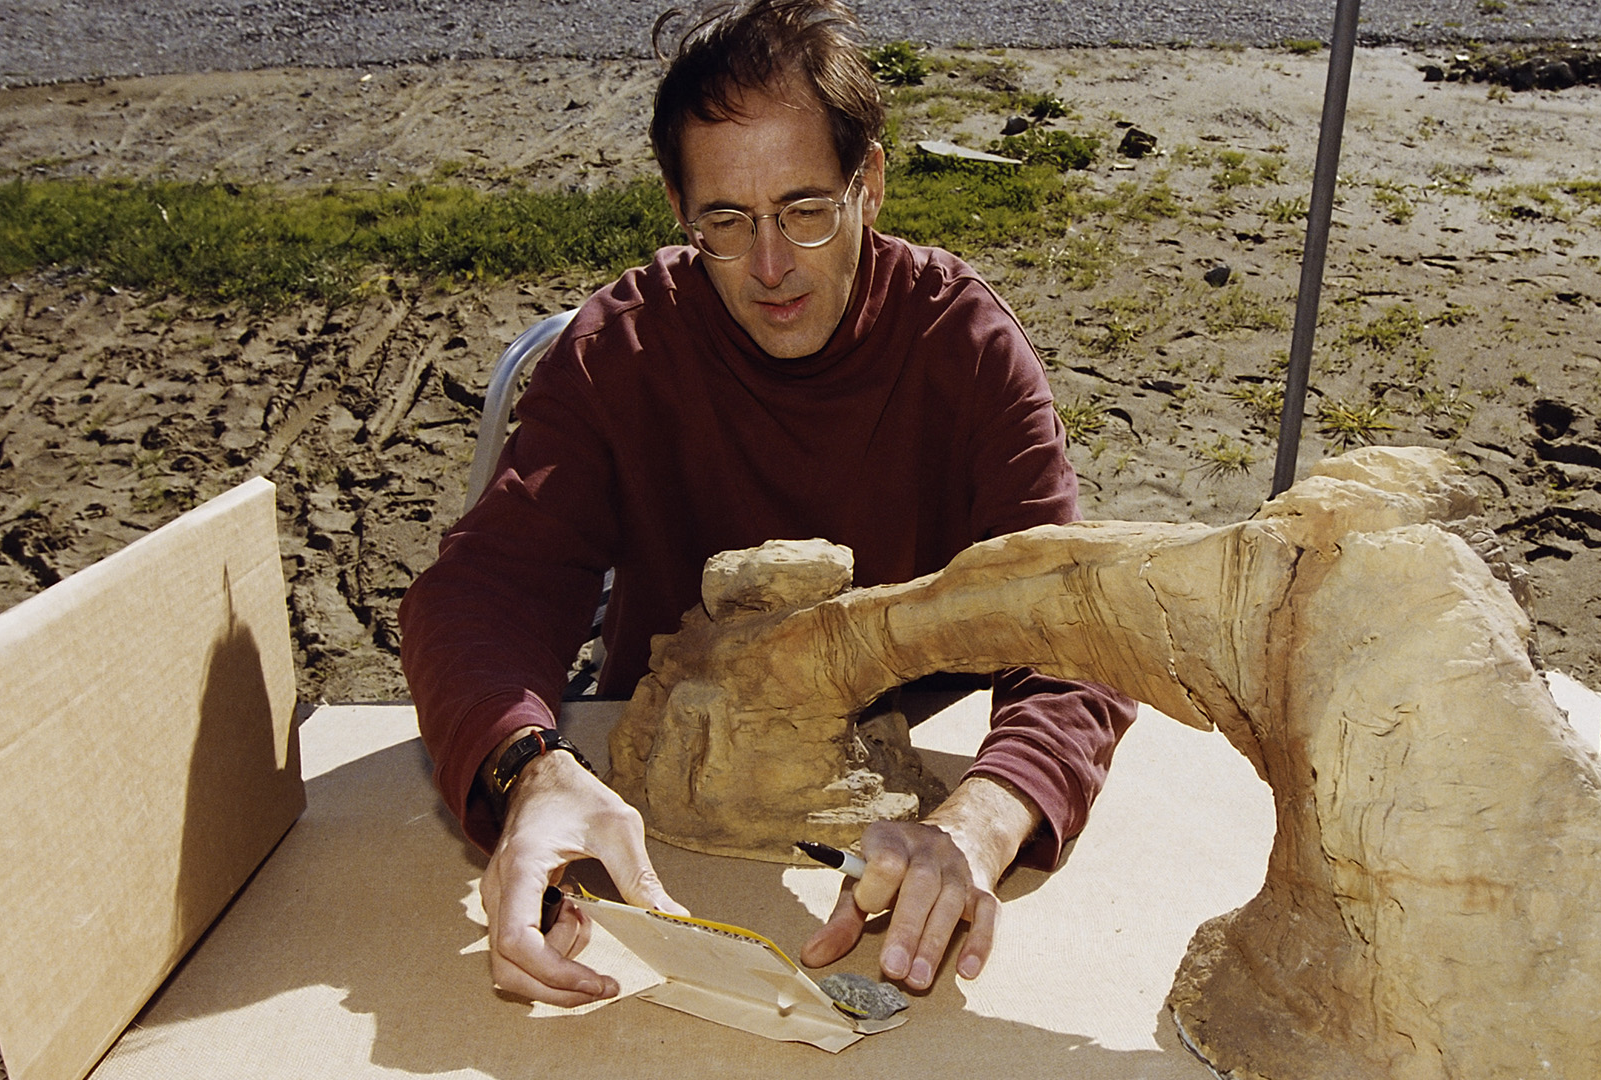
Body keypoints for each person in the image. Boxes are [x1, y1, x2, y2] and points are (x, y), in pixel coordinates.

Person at [398, 0, 1136, 1009]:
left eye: (805, 209)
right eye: (728, 223)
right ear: (677, 208)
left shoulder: (963, 347)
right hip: (666, 823)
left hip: (895, 827)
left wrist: (982, 820)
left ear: (868, 184)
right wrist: (529, 770)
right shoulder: (623, 348)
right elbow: (480, 592)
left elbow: (1076, 626)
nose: (772, 266)